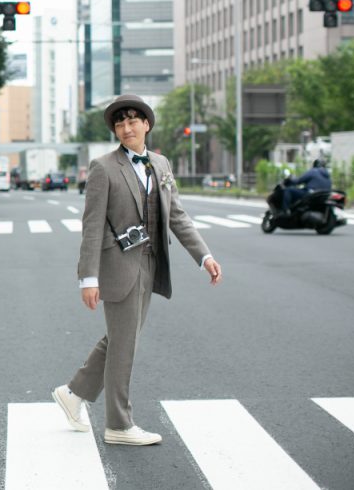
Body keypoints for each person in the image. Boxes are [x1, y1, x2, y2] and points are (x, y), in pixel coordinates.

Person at [52, 94, 223, 446]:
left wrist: (203, 256)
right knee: (124, 345)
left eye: (133, 121)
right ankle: (118, 424)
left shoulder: (160, 164)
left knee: (121, 339)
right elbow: (92, 225)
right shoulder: (103, 167)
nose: (126, 128)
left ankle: (73, 393)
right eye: (120, 123)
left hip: (149, 263)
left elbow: (176, 215)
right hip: (118, 266)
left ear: (146, 124)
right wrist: (88, 277)